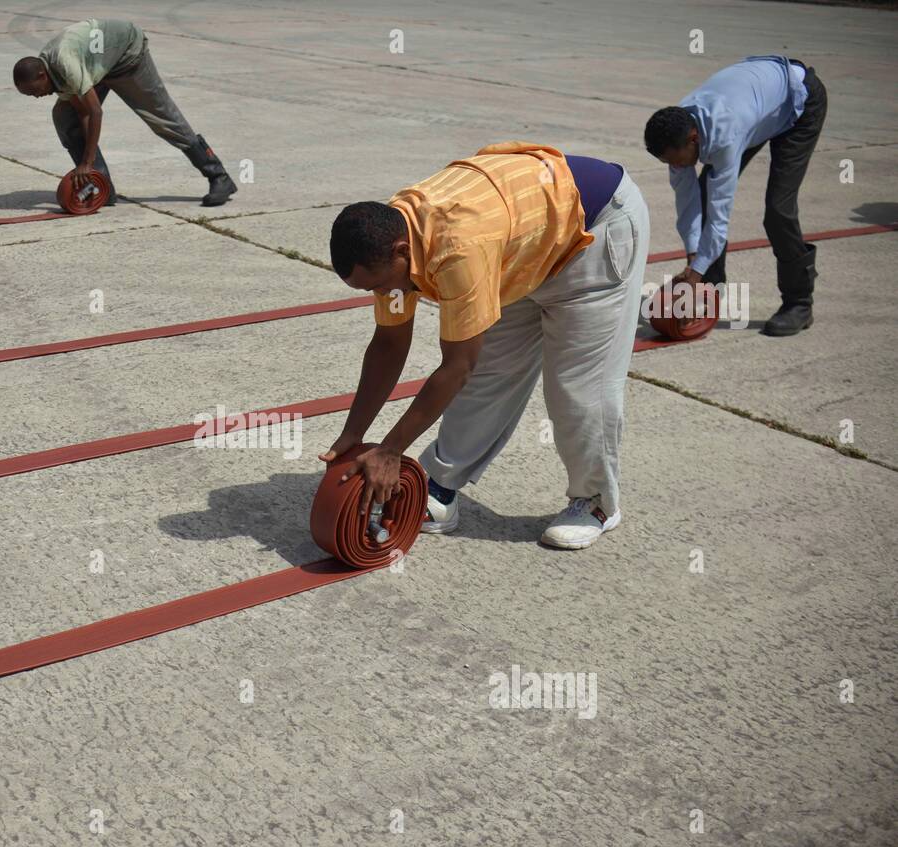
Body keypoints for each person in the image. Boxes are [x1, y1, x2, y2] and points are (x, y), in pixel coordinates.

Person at [323, 143, 649, 550]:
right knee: (491, 373)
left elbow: (455, 366)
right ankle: (440, 485)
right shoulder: (389, 237)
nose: (382, 294)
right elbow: (389, 343)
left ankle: (597, 501)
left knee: (578, 387)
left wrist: (391, 450)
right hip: (522, 244)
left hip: (595, 231)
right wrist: (353, 433)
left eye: (378, 285)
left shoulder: (456, 249)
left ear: (402, 252)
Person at [644, 56, 827, 336]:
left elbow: (719, 217)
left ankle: (799, 303)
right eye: (668, 162)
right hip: (760, 104)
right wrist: (695, 258)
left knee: (778, 210)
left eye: (678, 160)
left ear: (693, 139)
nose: (676, 167)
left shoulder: (725, 136)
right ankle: (709, 291)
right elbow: (687, 202)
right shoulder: (675, 131)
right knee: (701, 197)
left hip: (799, 102)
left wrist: (696, 268)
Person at [13, 18, 237, 207]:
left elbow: (94, 113)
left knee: (163, 118)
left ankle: (218, 176)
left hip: (127, 56)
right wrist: (88, 168)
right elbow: (82, 113)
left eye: (34, 91)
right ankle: (102, 187)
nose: (36, 96)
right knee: (65, 116)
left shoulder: (64, 63)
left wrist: (86, 162)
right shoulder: (51, 72)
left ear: (42, 76)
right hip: (99, 64)